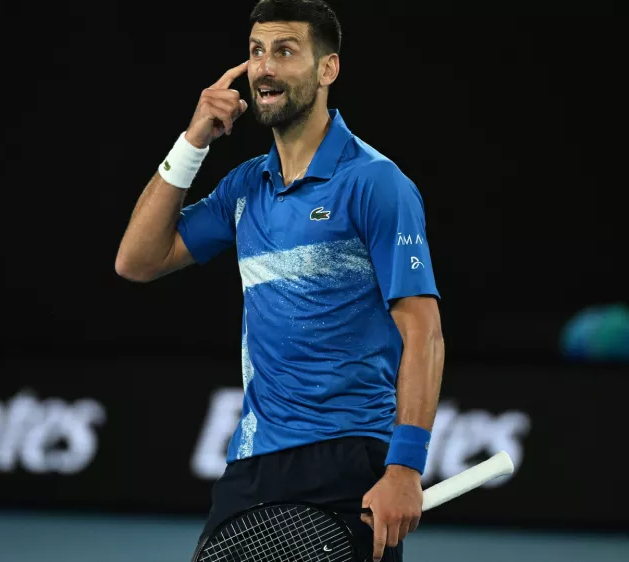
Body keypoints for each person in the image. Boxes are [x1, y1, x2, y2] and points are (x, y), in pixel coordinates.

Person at [114, 1, 444, 560]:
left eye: (285, 51)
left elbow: (423, 332)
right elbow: (137, 261)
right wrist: (193, 141)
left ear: (327, 70)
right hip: (254, 460)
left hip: (348, 458)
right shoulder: (246, 188)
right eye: (256, 52)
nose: (264, 68)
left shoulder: (375, 184)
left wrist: (405, 466)